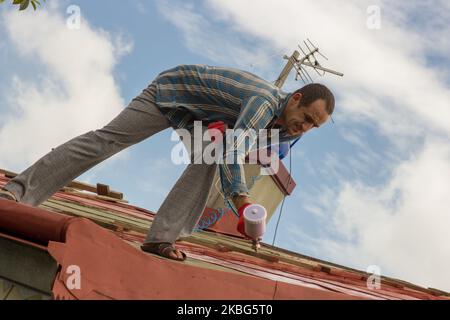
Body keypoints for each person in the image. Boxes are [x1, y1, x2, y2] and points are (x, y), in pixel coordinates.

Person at [0, 65, 334, 261]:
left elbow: (243, 155)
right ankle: (18, 192)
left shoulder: (291, 132)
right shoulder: (263, 103)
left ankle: (161, 239)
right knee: (108, 140)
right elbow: (237, 147)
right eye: (304, 118)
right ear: (295, 99)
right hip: (172, 93)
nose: (304, 127)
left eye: (312, 126)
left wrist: (248, 216)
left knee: (210, 156)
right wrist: (243, 201)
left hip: (205, 119)